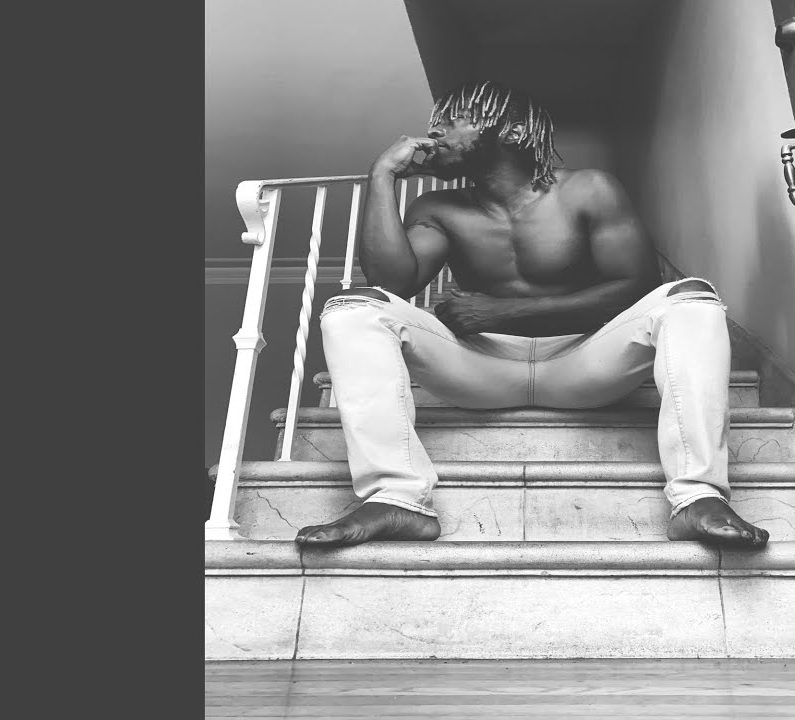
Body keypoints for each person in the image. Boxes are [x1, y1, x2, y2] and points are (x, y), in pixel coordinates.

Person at [295, 80, 769, 548]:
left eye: (456, 120)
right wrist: (381, 175)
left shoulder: (588, 190)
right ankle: (396, 498)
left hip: (583, 361)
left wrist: (503, 312)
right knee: (354, 307)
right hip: (482, 368)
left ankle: (698, 496)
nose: (434, 132)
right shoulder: (438, 208)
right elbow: (392, 285)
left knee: (691, 298)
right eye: (435, 123)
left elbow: (635, 287)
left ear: (515, 131)